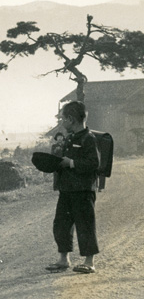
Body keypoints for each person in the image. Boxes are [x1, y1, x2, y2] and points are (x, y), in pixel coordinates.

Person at [46, 101, 100, 274]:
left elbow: (94, 163)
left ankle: (89, 262)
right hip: (67, 190)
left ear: (71, 119)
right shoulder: (70, 138)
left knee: (85, 225)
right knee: (61, 224)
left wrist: (72, 163)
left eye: (63, 119)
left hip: (83, 190)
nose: (61, 122)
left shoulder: (89, 138)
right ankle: (64, 259)